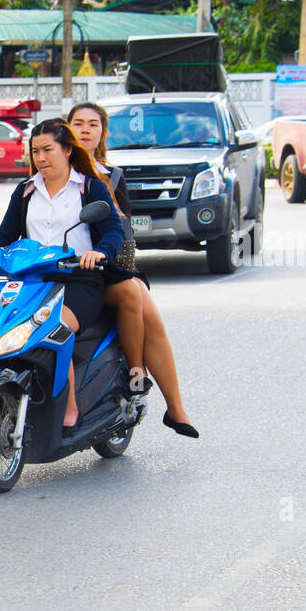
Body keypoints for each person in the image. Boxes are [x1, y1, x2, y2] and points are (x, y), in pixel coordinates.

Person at [0, 119, 123, 429]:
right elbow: (5, 233)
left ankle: (70, 406)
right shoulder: (26, 191)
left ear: (66, 150)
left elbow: (113, 231)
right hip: (32, 280)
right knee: (3, 325)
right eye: (35, 151)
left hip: (79, 279)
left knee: (56, 326)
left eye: (48, 150)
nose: (41, 158)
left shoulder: (88, 188)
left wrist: (99, 252)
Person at [67, 101, 199, 438]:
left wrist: (104, 251)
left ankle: (173, 405)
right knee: (134, 295)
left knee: (143, 303)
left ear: (103, 132)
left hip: (110, 266)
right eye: (78, 124)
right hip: (63, 270)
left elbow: (121, 234)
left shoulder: (111, 177)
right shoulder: (50, 170)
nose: (85, 130)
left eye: (93, 125)